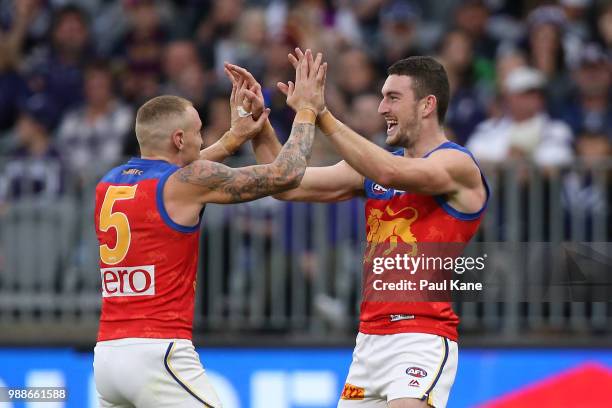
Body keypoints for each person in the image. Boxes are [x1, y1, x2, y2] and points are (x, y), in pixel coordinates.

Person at [226, 52, 488, 408]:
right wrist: (261, 125)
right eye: (382, 97)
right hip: (369, 342)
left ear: (428, 105)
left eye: (393, 97)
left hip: (420, 336)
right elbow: (286, 185)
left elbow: (390, 174)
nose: (382, 108)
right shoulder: (375, 168)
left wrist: (323, 114)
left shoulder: (457, 164)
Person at [93, 49, 327, 407]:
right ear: (179, 140)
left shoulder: (109, 184)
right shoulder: (186, 182)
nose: (203, 140)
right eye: (198, 132)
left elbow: (184, 176)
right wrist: (308, 109)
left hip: (107, 355)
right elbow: (287, 174)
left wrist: (234, 138)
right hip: (158, 353)